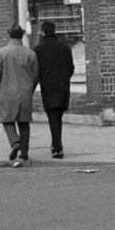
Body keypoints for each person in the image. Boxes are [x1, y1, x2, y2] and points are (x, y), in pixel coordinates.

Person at [0, 24, 39, 167]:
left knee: (7, 120)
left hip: (7, 92)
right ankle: (25, 153)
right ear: (21, 36)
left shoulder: (2, 53)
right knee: (24, 122)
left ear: (9, 36)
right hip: (25, 92)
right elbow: (35, 76)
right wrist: (30, 90)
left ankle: (15, 142)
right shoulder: (30, 54)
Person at [34, 20, 75, 159]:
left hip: (48, 87)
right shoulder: (65, 47)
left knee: (52, 117)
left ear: (43, 32)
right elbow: (71, 68)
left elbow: (36, 71)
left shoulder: (38, 50)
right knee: (58, 117)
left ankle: (58, 148)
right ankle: (55, 144)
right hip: (63, 87)